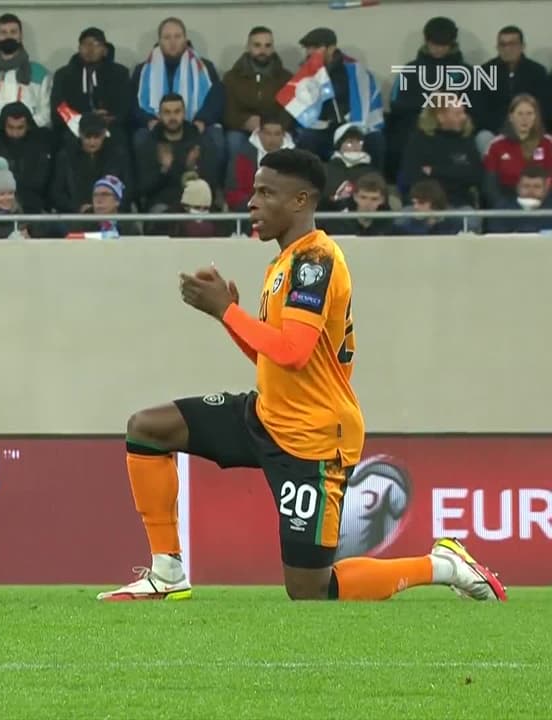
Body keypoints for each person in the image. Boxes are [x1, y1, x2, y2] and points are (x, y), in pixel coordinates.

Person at [99, 148, 507, 603]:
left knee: (310, 590)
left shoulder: (315, 262)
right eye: (253, 191)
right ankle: (167, 572)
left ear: (301, 201)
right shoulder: (284, 263)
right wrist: (228, 318)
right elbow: (273, 356)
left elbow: (292, 352)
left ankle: (443, 565)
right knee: (149, 429)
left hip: (313, 438)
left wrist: (226, 310)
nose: (251, 202)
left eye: (265, 192)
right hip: (268, 414)